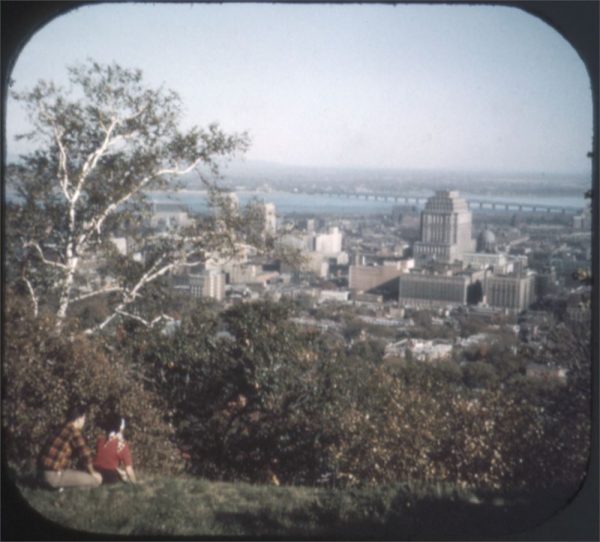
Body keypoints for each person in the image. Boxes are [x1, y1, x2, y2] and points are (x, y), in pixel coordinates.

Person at [40, 404, 103, 489]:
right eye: (84, 419)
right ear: (79, 419)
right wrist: (93, 473)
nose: (84, 422)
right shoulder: (73, 431)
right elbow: (85, 455)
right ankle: (63, 487)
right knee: (95, 481)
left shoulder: (61, 427)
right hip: (53, 476)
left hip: (42, 474)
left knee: (77, 475)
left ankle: (63, 486)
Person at [93, 413, 137, 484]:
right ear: (121, 429)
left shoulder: (100, 440)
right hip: (109, 477)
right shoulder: (122, 445)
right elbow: (129, 469)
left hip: (95, 471)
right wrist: (135, 483)